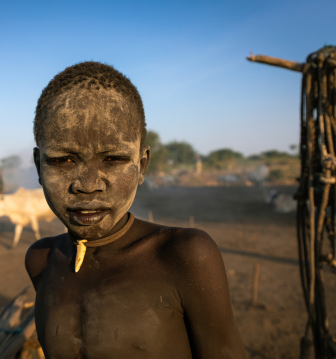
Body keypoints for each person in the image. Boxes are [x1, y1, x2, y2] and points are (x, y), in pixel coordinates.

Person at [25, 61, 245, 358]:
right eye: (64, 160)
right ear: (39, 165)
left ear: (142, 165)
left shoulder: (184, 256)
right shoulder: (41, 261)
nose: (88, 185)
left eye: (113, 159)